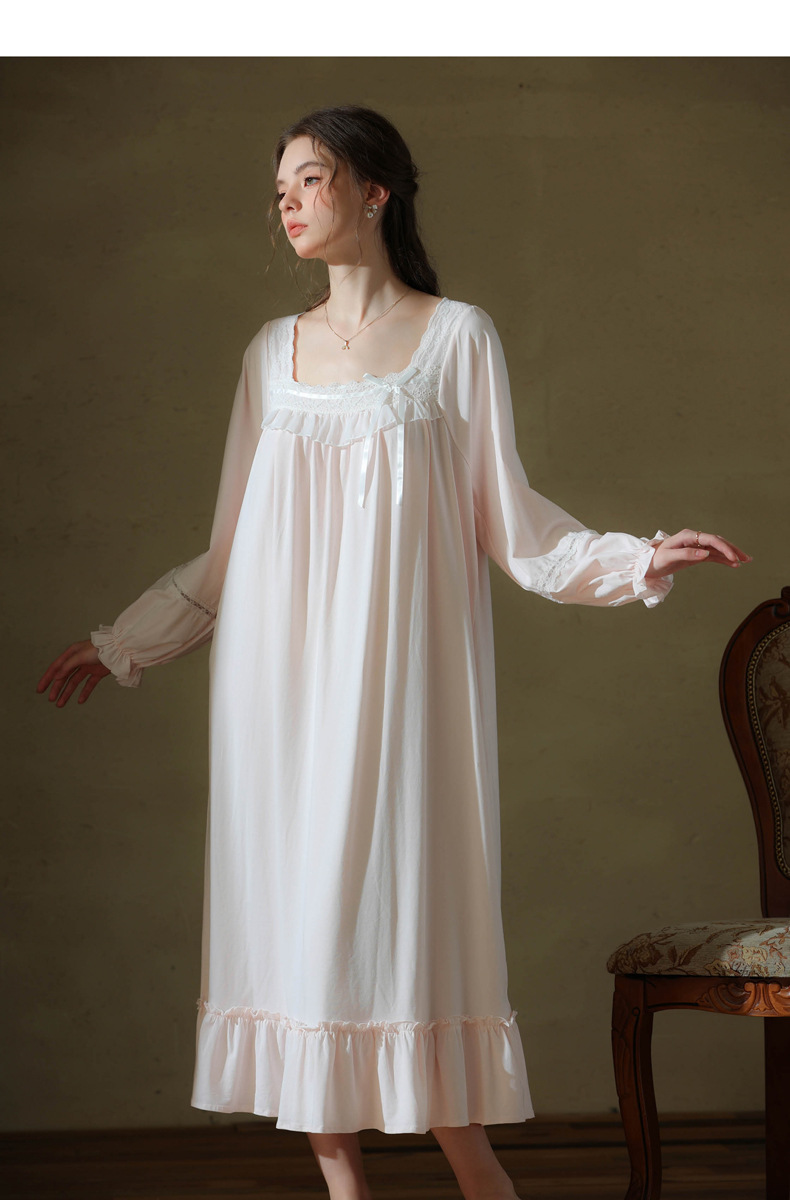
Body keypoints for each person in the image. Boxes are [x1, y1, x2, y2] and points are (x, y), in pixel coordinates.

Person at [38, 105, 750, 1200]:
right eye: (279, 185)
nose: (286, 201)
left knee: (397, 945)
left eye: (310, 178)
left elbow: (513, 524)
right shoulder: (268, 355)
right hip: (274, 700)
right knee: (297, 947)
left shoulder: (458, 338)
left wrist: (638, 556)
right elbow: (230, 553)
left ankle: (477, 1175)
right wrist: (122, 643)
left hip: (398, 693)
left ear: (376, 191)